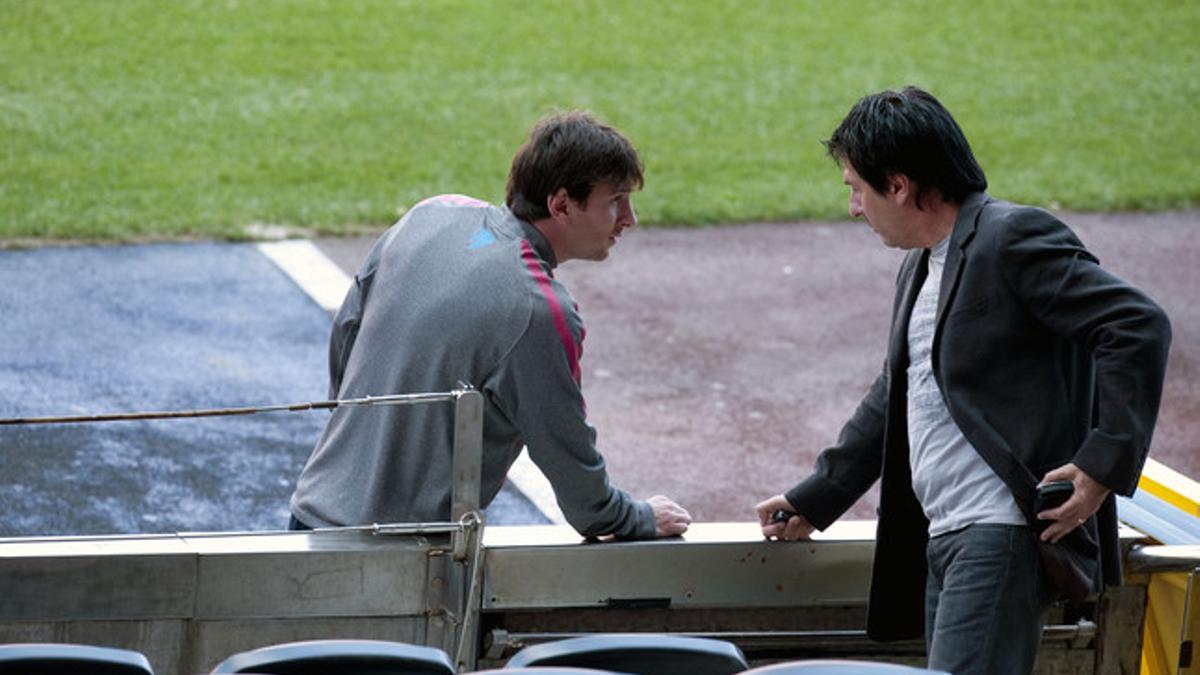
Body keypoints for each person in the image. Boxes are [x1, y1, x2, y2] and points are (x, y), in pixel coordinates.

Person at [755, 87, 1171, 674]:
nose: (853, 207)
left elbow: (1136, 324)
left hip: (998, 533)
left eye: (856, 187)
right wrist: (818, 495)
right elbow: (898, 393)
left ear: (898, 185)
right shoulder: (922, 263)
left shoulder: (1011, 238)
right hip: (946, 536)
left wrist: (1102, 464)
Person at [290, 111, 691, 540]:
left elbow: (347, 332)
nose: (629, 217)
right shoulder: (539, 310)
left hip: (308, 518)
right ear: (561, 204)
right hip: (402, 560)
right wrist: (634, 517)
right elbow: (575, 477)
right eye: (616, 200)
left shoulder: (429, 215)